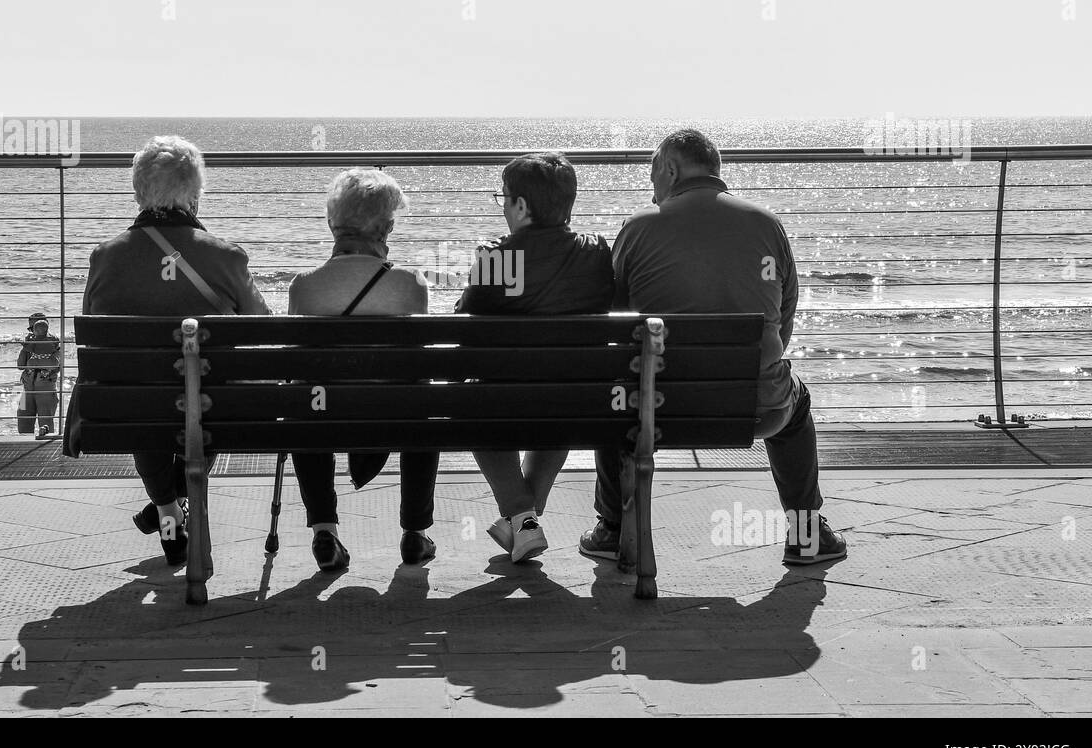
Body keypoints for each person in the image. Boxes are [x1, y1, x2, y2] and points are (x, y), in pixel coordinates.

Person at [579, 128, 847, 566]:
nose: (652, 192)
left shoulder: (639, 227)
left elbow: (618, 321)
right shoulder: (766, 223)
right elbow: (785, 314)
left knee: (619, 392)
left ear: (669, 169)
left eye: (653, 178)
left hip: (659, 408)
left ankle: (612, 529)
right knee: (795, 403)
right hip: (759, 407)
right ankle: (807, 533)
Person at [71, 136, 270, 565]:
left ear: (138, 192)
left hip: (131, 407)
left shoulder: (105, 258)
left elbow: (91, 334)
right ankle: (173, 498)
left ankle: (166, 513)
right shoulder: (227, 257)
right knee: (209, 392)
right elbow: (261, 327)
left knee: (147, 400)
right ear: (195, 195)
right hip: (213, 405)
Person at [455, 152, 613, 562]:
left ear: (521, 206)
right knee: (556, 398)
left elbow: (463, 328)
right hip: (577, 403)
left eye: (503, 197)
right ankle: (523, 522)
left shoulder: (495, 259)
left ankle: (522, 519)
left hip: (500, 406)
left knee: (473, 404)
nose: (502, 205)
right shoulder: (596, 252)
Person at [288, 168, 439, 571]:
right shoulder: (412, 285)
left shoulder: (303, 287)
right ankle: (415, 532)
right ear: (386, 227)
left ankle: (325, 529)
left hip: (323, 419)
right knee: (423, 403)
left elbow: (296, 367)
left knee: (305, 402)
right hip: (396, 420)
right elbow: (416, 366)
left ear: (331, 223)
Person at [17, 312, 61, 438]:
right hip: (27, 388)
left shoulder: (53, 343)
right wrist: (26, 347)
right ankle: (24, 445)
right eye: (30, 329)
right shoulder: (30, 344)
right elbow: (20, 365)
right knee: (22, 417)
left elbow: (53, 364)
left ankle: (45, 448)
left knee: (45, 423)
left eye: (33, 328)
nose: (31, 332)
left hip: (46, 388)